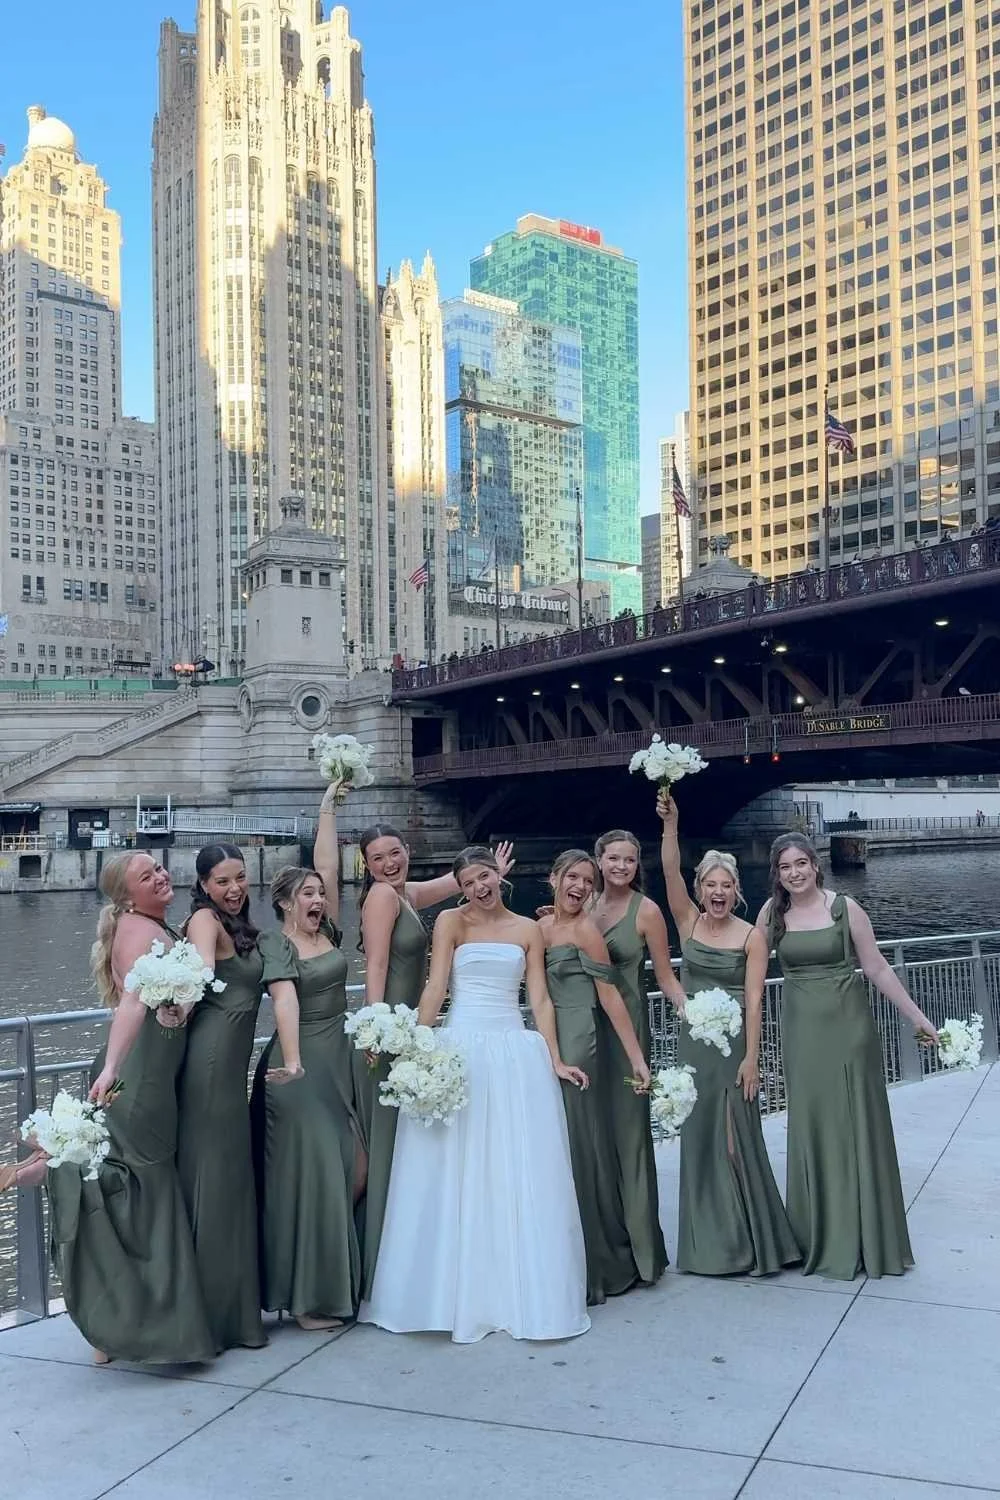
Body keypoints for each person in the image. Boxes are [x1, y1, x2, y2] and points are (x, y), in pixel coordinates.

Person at [359, 847, 590, 1343]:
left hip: (511, 1050)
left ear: (497, 875)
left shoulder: (528, 928)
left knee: (510, 1169)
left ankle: (510, 1291)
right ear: (460, 887)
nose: (478, 887)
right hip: (460, 1048)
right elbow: (435, 988)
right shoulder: (449, 923)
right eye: (468, 882)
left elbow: (541, 1000)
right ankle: (445, 1294)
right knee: (452, 1169)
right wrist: (412, 1045)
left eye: (484, 876)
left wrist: (553, 1058)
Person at [3, 854, 215, 1365]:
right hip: (140, 1075)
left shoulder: (142, 925)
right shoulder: (142, 934)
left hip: (145, 1071)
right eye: (147, 876)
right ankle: (147, 1329)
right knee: (144, 1191)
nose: (161, 876)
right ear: (126, 896)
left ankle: (43, 1169)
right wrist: (112, 1067)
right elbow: (134, 1004)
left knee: (116, 1182)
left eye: (160, 869)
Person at [314, 792, 512, 1298]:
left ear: (406, 850)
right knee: (385, 1150)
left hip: (408, 1032)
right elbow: (375, 966)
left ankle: (381, 1261)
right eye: (378, 857)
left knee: (399, 1147)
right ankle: (370, 1267)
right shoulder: (382, 897)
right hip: (391, 1035)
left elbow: (453, 885)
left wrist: (489, 869)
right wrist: (378, 1027)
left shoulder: (403, 894)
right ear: (367, 863)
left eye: (395, 852)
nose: (389, 862)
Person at [756, 833, 939, 1281]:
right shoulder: (771, 914)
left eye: (801, 863)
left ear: (815, 866)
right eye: (785, 867)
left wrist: (917, 1017)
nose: (794, 873)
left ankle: (866, 1237)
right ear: (777, 874)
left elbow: (875, 966)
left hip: (848, 1029)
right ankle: (819, 1235)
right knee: (814, 1124)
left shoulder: (845, 908)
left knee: (856, 1124)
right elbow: (747, 968)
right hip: (801, 1032)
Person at [658, 794, 800, 1276]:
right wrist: (672, 826)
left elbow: (757, 999)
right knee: (698, 1139)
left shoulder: (751, 936)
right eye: (710, 884)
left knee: (736, 1139)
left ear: (737, 890)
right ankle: (706, 1248)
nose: (717, 892)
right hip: (693, 1046)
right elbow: (670, 872)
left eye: (726, 885)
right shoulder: (687, 921)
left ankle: (752, 1240)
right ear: (699, 889)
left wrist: (752, 1059)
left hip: (735, 1048)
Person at [179, 843, 287, 1353]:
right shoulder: (205, 920)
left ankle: (234, 1315)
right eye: (222, 881)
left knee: (229, 1180)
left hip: (228, 1065)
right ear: (203, 886)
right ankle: (210, 1320)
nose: (234, 888)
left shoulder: (242, 928)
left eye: (240, 878)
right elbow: (200, 969)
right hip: (210, 1065)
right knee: (216, 1179)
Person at [251, 861, 363, 1329]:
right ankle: (305, 1301)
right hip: (297, 1070)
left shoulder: (327, 932)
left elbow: (331, 867)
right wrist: (294, 1061)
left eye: (320, 893)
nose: (318, 900)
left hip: (337, 1057)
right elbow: (284, 999)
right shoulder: (276, 943)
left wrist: (329, 802)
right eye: (307, 894)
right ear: (284, 902)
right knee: (312, 1181)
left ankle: (331, 1282)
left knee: (357, 1167)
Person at [539, 851, 651, 1304]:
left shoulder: (587, 932)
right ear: (554, 878)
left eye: (588, 880)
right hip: (545, 1038)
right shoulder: (538, 929)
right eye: (574, 877)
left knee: (582, 1143)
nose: (582, 886)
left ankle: (595, 1259)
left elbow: (611, 996)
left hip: (581, 1038)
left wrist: (637, 1058)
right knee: (558, 1144)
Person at [591, 828, 687, 1284]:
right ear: (599, 860)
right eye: (613, 859)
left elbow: (666, 978)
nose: (620, 867)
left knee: (631, 1140)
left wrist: (696, 1015)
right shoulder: (580, 902)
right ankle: (602, 1250)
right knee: (594, 1139)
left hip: (629, 1033)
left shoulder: (646, 912)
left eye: (629, 860)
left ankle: (642, 1255)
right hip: (586, 1032)